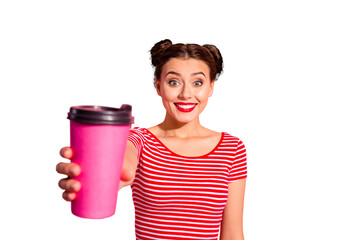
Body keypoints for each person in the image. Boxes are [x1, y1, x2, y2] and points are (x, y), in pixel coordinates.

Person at [56, 39, 247, 240]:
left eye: (197, 83)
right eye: (174, 82)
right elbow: (125, 156)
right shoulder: (140, 140)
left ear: (210, 87)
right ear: (158, 86)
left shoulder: (231, 148)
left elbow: (233, 233)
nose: (185, 94)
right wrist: (108, 172)